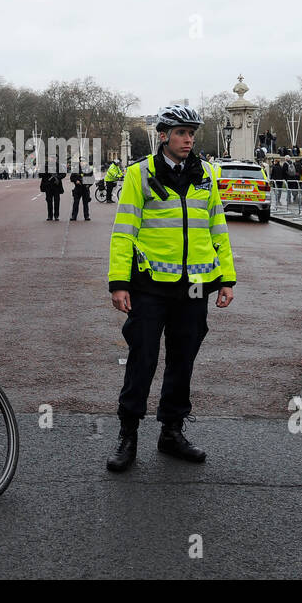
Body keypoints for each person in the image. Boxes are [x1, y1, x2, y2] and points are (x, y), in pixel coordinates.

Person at [106, 104, 235, 473]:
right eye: (181, 132)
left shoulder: (206, 174)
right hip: (149, 286)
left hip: (194, 288)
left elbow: (218, 230)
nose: (188, 138)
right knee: (142, 359)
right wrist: (119, 282)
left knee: (182, 360)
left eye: (191, 132)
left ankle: (171, 431)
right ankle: (128, 434)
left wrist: (226, 278)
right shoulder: (139, 174)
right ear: (163, 135)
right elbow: (124, 231)